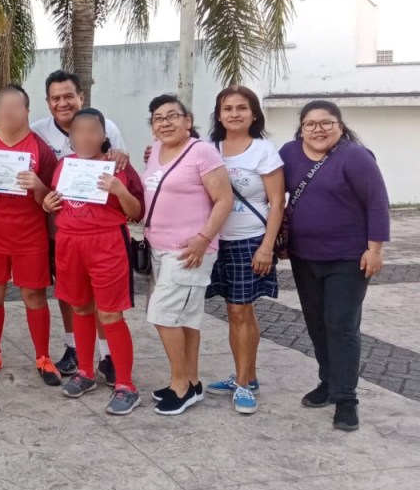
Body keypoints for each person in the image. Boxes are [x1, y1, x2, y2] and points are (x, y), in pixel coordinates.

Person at [0, 70, 129, 383]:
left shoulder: (105, 126)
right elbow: (0, 153)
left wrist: (121, 155)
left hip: (89, 234)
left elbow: (119, 163)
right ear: (46, 103)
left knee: (96, 301)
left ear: (81, 97)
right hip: (54, 231)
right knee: (71, 296)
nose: (62, 102)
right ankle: (70, 349)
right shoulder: (36, 132)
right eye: (55, 98)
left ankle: (104, 354)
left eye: (68, 96)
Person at [280, 100, 389, 432]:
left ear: (340, 127)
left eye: (326, 123)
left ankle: (346, 400)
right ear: (301, 128)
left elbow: (377, 203)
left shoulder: (355, 156)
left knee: (341, 325)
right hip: (304, 256)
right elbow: (264, 185)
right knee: (317, 324)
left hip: (348, 258)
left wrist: (375, 249)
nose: (318, 130)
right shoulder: (288, 153)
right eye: (311, 124)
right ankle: (327, 382)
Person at [42, 109, 145, 415]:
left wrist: (119, 189)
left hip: (107, 244)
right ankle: (86, 371)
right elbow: (58, 203)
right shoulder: (63, 165)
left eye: (92, 131)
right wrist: (49, 203)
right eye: (78, 131)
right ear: (70, 137)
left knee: (110, 314)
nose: (85, 137)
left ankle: (126, 385)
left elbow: (136, 211)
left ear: (103, 134)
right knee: (80, 308)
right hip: (70, 244)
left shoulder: (118, 165)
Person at [0, 85, 60, 385]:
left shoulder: (40, 149)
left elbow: (52, 200)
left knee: (34, 295)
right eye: (2, 106)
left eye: (15, 106)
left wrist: (38, 186)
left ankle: (43, 357)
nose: (8, 111)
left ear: (27, 111)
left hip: (30, 235)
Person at [142, 94, 233, 416]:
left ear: (188, 120)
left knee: (162, 314)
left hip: (188, 251)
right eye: (157, 118)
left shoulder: (203, 152)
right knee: (185, 317)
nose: (165, 122)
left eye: (172, 116)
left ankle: (179, 385)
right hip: (160, 247)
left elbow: (224, 199)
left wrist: (203, 238)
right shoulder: (156, 153)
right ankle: (190, 382)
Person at [204, 87, 285, 415]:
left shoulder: (263, 150)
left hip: (249, 240)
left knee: (241, 311)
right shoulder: (209, 149)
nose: (234, 114)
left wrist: (267, 246)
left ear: (254, 114)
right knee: (231, 310)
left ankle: (243, 382)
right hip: (213, 241)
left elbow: (277, 202)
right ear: (219, 114)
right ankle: (246, 376)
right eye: (227, 108)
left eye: (242, 108)